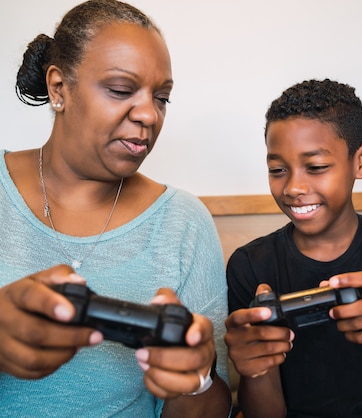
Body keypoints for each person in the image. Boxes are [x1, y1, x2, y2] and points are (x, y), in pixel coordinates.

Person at [0, 1, 230, 416]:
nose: (148, 114)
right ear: (58, 88)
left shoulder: (184, 222)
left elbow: (213, 408)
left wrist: (196, 381)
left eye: (162, 98)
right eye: (121, 90)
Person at [223, 78, 362, 418]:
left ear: (360, 161)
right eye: (277, 170)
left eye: (315, 167)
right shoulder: (251, 266)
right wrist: (255, 368)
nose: (294, 188)